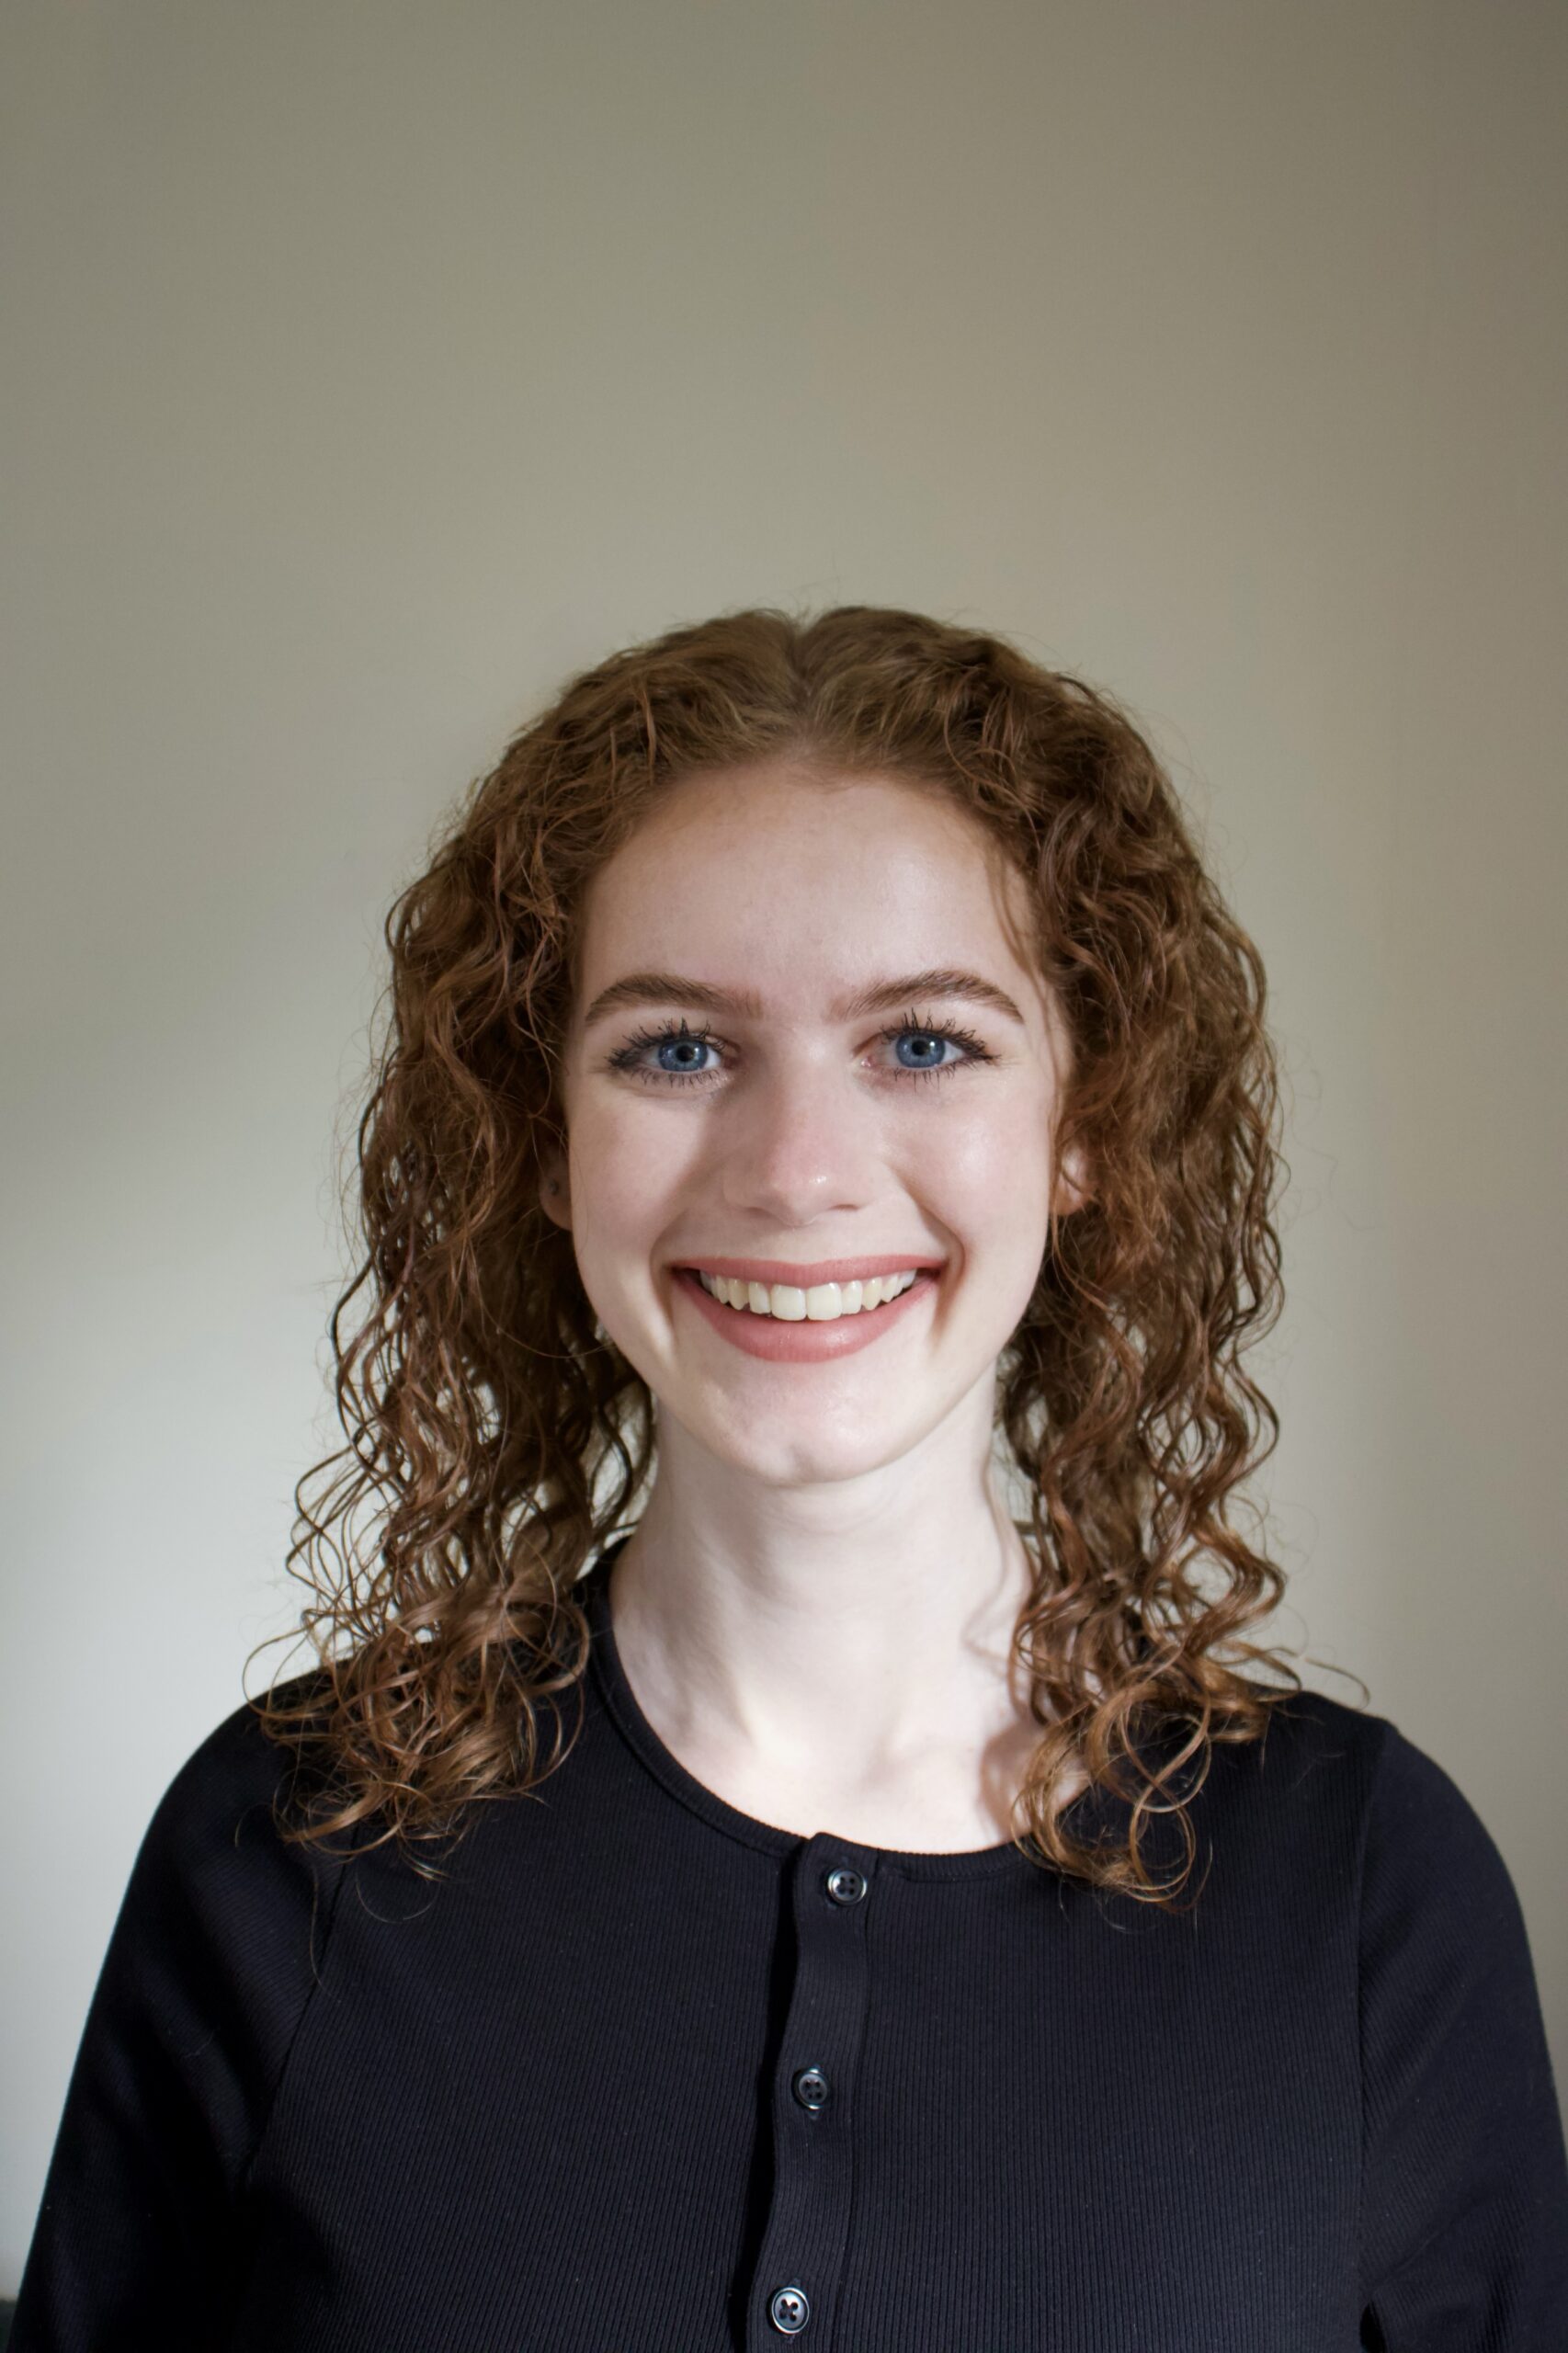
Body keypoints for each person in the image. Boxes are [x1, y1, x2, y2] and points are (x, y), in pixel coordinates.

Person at [11, 607, 1566, 2348]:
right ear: (544, 1141)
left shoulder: (1361, 1892)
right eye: (676, 1048)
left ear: (1086, 1130)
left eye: (924, 1043)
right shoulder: (287, 1844)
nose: (798, 1173)